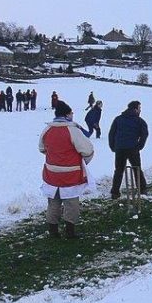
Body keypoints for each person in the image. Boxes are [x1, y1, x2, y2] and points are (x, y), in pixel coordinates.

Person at [39, 101, 94, 239]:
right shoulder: (73, 130)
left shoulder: (47, 129)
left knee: (53, 202)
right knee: (71, 203)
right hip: (70, 174)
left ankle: (53, 230)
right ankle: (70, 231)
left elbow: (41, 148)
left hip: (51, 173)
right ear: (67, 114)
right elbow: (87, 149)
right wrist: (82, 161)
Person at [108, 100, 149, 199]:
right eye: (139, 108)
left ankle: (115, 192)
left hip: (120, 148)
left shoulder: (118, 119)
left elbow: (111, 133)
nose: (140, 110)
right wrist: (139, 146)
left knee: (118, 170)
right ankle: (142, 189)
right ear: (135, 109)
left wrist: (113, 146)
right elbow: (144, 134)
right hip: (132, 148)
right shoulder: (139, 121)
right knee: (137, 169)